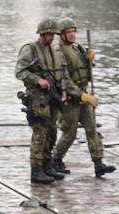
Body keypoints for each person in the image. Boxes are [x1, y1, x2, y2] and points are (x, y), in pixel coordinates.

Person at [51, 17, 115, 177]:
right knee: (70, 133)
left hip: (84, 96)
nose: (72, 35)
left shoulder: (78, 48)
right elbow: (64, 79)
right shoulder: (59, 53)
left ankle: (98, 163)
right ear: (62, 35)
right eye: (68, 32)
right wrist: (82, 95)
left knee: (92, 129)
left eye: (73, 32)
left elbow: (86, 72)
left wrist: (90, 61)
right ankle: (56, 160)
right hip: (71, 100)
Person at [15, 18, 76, 184]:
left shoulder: (54, 51)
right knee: (39, 133)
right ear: (44, 34)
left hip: (53, 97)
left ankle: (47, 165)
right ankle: (36, 170)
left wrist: (63, 92)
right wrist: (37, 80)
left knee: (52, 132)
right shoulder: (30, 50)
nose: (54, 38)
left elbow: (61, 74)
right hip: (37, 98)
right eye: (51, 35)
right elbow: (20, 72)